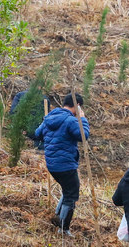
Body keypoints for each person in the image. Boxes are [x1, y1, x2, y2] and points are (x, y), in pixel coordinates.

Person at [36, 92, 90, 235]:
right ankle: (63, 228)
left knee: (67, 191)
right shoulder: (71, 120)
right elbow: (83, 136)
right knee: (72, 195)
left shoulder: (49, 118)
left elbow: (37, 133)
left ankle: (58, 217)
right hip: (66, 165)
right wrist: (83, 119)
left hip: (52, 164)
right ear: (77, 106)